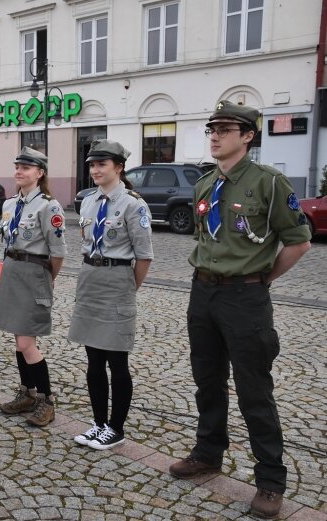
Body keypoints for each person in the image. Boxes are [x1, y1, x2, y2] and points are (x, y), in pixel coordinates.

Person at [168, 101, 311, 519]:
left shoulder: (269, 183)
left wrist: (262, 280)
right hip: (203, 294)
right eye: (212, 128)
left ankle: (270, 480)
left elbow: (298, 241)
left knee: (254, 391)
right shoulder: (204, 185)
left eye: (226, 129)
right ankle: (207, 453)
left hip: (245, 298)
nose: (215, 135)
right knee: (207, 381)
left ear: (248, 136)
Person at [69, 140, 153, 450]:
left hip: (118, 279)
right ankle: (98, 422)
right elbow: (85, 239)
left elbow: (144, 256)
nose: (95, 170)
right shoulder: (89, 202)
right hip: (90, 278)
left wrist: (128, 287)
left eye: (101, 164)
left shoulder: (133, 204)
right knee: (93, 360)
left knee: (117, 361)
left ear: (118, 167)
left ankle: (116, 428)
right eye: (92, 165)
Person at [0, 147, 66, 427]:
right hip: (11, 271)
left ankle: (46, 400)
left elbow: (58, 253)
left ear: (40, 172)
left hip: (35, 272)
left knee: (27, 342)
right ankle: (27, 393)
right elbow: (7, 243)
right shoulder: (10, 204)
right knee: (18, 340)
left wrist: (48, 279)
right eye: (17, 166)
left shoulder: (49, 206)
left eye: (26, 167)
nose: (19, 171)